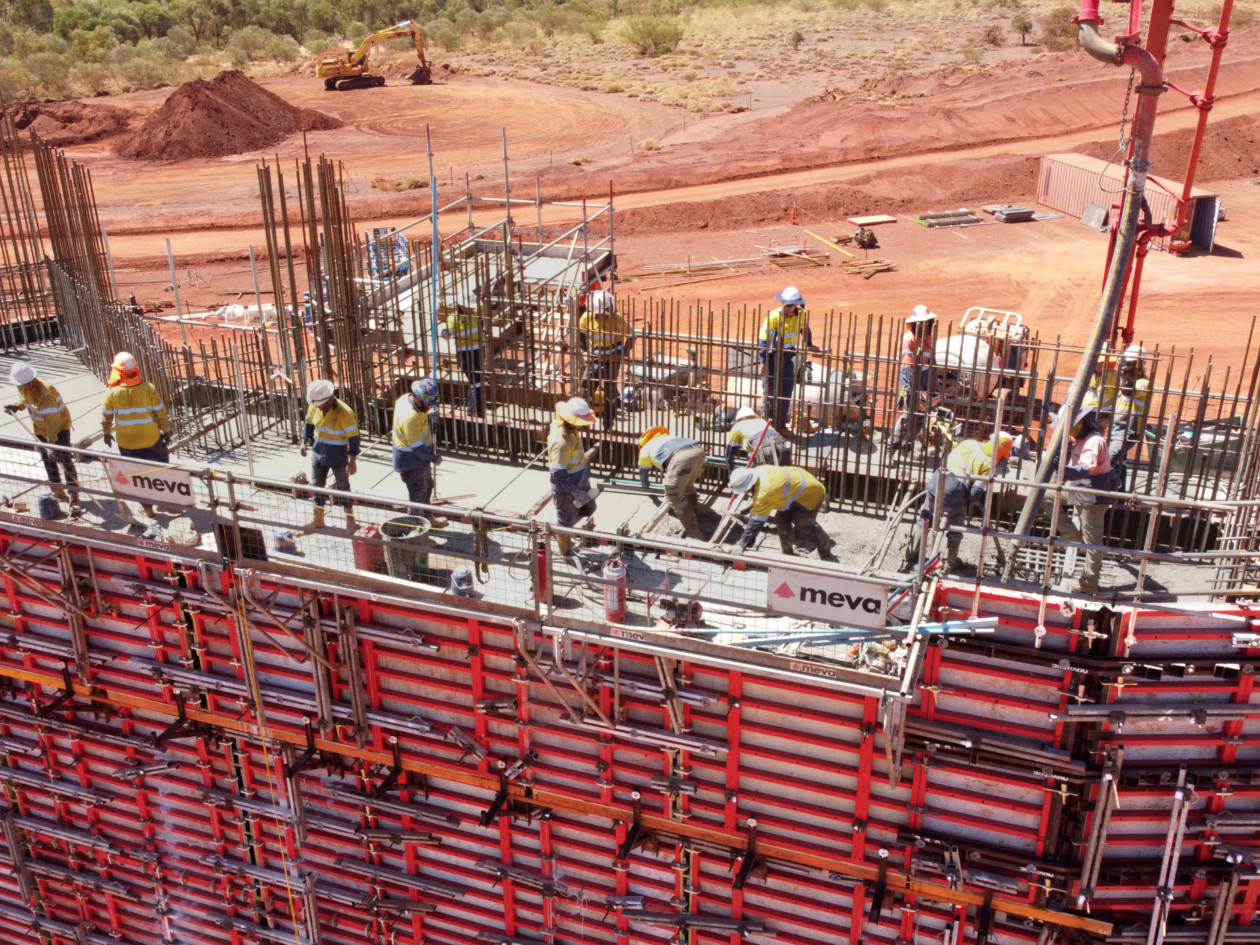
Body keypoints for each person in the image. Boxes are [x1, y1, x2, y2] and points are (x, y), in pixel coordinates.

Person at [1042, 405, 1113, 594]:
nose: (1071, 430)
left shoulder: (1094, 441)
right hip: (1078, 489)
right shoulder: (1080, 439)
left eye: (1073, 425)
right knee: (1046, 495)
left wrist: (1065, 471)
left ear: (1084, 422)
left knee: (1093, 542)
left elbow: (1085, 468)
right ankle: (1070, 532)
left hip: (1093, 497)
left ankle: (1089, 582)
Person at [918, 432, 1013, 572]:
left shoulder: (968, 443)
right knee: (955, 527)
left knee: (925, 519)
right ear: (1001, 452)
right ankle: (950, 562)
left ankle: (912, 552)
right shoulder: (988, 464)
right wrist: (968, 501)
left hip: (935, 483)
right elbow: (975, 494)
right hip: (955, 494)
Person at [101, 352, 171, 516]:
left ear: (117, 372)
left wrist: (106, 433)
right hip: (151, 440)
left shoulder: (112, 393)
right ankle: (165, 501)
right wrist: (166, 431)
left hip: (127, 443)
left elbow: (106, 417)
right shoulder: (148, 389)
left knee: (137, 476)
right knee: (160, 470)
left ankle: (147, 509)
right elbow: (161, 413)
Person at [6, 363, 81, 516]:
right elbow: (24, 398)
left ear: (32, 378)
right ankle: (58, 491)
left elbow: (52, 420)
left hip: (59, 428)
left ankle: (74, 496)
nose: (25, 385)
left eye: (27, 382)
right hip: (40, 428)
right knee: (47, 460)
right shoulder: (22, 385)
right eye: (22, 384)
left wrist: (52, 445)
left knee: (65, 461)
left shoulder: (45, 392)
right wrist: (17, 406)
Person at [729, 465, 836, 560]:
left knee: (805, 526)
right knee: (782, 520)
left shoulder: (765, 493)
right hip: (798, 485)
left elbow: (755, 523)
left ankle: (826, 554)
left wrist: (742, 544)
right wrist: (750, 507)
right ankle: (787, 554)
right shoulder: (758, 471)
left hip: (810, 493)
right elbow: (766, 490)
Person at [301, 379, 360, 531]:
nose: (315, 406)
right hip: (318, 452)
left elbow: (354, 437)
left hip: (338, 456)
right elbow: (308, 423)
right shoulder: (314, 405)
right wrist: (304, 442)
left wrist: (353, 460)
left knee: (343, 487)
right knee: (317, 486)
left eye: (318, 404)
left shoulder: (345, 413)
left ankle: (350, 519)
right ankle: (318, 518)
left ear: (328, 400)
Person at [758, 286, 817, 431]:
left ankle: (781, 425)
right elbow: (764, 341)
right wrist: (764, 363)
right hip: (772, 359)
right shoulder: (773, 317)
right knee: (769, 394)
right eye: (787, 305)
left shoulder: (801, 314)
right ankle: (767, 427)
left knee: (786, 393)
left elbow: (805, 329)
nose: (790, 308)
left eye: (792, 305)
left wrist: (809, 344)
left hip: (788, 358)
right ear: (782, 303)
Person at [391, 378, 448, 528]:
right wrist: (434, 458)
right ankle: (416, 532)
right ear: (416, 397)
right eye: (427, 402)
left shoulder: (406, 400)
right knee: (417, 498)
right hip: (412, 461)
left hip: (418, 460)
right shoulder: (410, 418)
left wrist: (427, 413)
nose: (430, 404)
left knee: (428, 486)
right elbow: (418, 448)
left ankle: (428, 518)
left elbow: (418, 416)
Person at [638, 426, 708, 540]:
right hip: (699, 451)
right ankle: (695, 517)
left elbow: (643, 472)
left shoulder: (645, 449)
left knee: (672, 497)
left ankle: (696, 535)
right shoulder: (668, 437)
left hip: (680, 458)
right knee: (688, 486)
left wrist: (644, 483)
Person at [548, 397, 597, 557]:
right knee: (565, 523)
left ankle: (562, 533)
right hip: (567, 489)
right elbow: (557, 474)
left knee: (589, 508)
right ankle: (566, 554)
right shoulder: (561, 443)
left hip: (580, 480)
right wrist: (575, 492)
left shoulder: (566, 423)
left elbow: (559, 404)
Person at [578, 289, 634, 427]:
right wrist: (584, 352)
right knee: (586, 387)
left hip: (612, 357)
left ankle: (609, 421)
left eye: (606, 311)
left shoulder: (617, 319)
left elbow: (632, 335)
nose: (604, 314)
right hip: (595, 356)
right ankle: (584, 420)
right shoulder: (587, 317)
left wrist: (624, 352)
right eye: (601, 312)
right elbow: (581, 336)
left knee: (610, 388)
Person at [889, 304, 937, 453]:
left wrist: (934, 384)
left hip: (924, 378)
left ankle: (906, 444)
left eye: (928, 322)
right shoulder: (909, 338)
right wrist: (917, 389)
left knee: (921, 418)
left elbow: (931, 362)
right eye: (923, 322)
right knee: (907, 416)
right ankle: (892, 445)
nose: (926, 325)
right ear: (917, 323)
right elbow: (907, 367)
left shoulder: (928, 338)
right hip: (911, 380)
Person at [440, 304, 486, 417]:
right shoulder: (453, 318)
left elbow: (483, 303)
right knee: (477, 383)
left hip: (478, 352)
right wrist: (445, 333)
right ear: (460, 307)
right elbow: (447, 329)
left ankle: (472, 412)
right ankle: (478, 413)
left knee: (475, 383)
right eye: (468, 307)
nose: (471, 308)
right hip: (464, 355)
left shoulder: (476, 311)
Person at [725, 406, 791, 471]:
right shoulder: (762, 421)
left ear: (738, 419)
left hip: (761, 449)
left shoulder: (737, 426)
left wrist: (730, 468)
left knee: (759, 477)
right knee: (783, 476)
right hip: (781, 446)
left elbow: (730, 450)